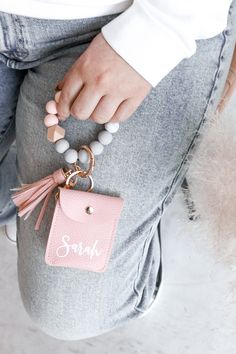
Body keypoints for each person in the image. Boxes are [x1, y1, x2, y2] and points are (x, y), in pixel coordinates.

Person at [0, 0, 235, 341]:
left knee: (70, 310)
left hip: (121, 21)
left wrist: (158, 29)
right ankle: (21, 191)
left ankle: (139, 220)